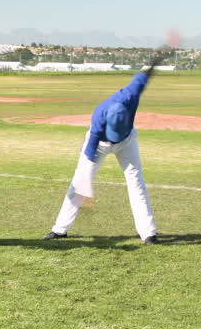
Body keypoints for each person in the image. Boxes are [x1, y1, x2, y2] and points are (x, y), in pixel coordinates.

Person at [42, 65, 158, 244]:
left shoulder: (131, 95)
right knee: (78, 183)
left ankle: (148, 233)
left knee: (136, 182)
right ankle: (60, 229)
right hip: (100, 145)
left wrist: (150, 67)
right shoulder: (99, 117)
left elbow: (140, 78)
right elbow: (89, 155)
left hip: (127, 141)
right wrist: (86, 187)